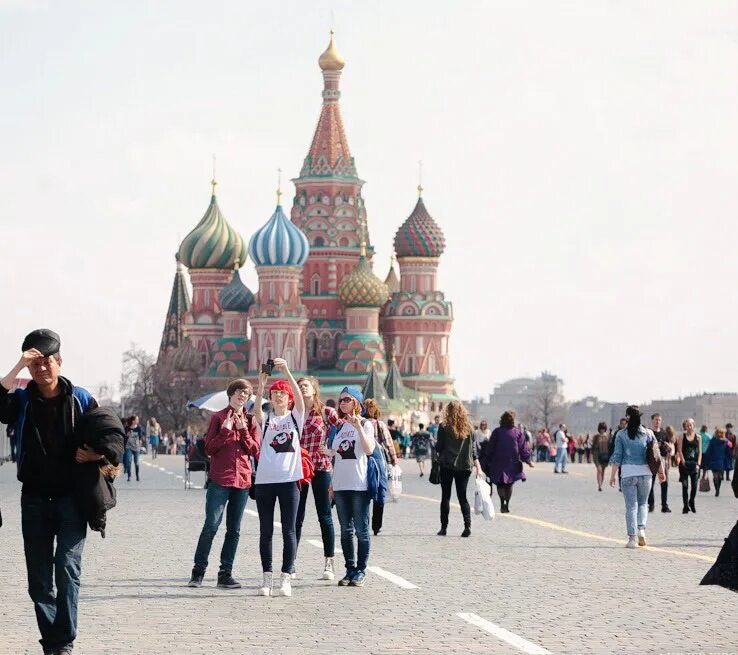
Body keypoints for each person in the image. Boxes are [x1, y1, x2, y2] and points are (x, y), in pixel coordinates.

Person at [0, 329, 99, 655]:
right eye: (35, 364)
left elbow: (108, 432)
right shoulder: (23, 399)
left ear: (59, 361)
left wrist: (98, 454)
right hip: (35, 500)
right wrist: (17, 366)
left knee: (67, 570)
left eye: (46, 362)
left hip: (73, 499)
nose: (41, 369)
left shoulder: (81, 398)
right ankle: (53, 644)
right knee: (39, 581)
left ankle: (64, 642)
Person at [188, 379, 259, 589]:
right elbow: (208, 449)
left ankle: (225, 573)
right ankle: (198, 572)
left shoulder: (251, 420)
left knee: (234, 530)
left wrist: (243, 430)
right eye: (239, 392)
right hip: (220, 479)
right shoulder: (218, 418)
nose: (242, 396)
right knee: (211, 525)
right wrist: (226, 431)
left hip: (242, 481)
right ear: (231, 394)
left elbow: (254, 450)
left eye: (246, 393)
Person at [253, 358, 304, 598]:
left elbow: (301, 399)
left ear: (289, 398)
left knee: (289, 531)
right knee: (265, 531)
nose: (278, 397)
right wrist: (261, 385)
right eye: (274, 394)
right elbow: (255, 410)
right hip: (265, 481)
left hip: (289, 481)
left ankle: (286, 578)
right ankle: (267, 578)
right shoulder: (266, 419)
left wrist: (287, 372)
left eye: (282, 394)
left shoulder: (295, 418)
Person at [320, 387, 376, 587]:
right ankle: (349, 569)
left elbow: (369, 450)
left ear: (356, 403)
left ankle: (361, 570)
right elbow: (337, 456)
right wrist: (328, 453)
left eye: (346, 400)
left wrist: (359, 427)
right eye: (340, 400)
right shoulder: (340, 427)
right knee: (345, 530)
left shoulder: (366, 424)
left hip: (359, 485)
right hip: (341, 485)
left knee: (361, 530)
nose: (342, 403)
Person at [293, 376, 339, 581]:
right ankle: (290, 563)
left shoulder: (327, 412)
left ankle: (329, 562)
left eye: (306, 386)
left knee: (325, 516)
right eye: (300, 385)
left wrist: (332, 450)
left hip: (321, 467)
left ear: (314, 389)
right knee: (296, 517)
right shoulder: (294, 412)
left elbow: (345, 429)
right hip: (298, 469)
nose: (303, 388)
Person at [609, 405, 665, 548]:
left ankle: (632, 539)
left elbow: (617, 456)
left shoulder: (621, 434)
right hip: (646, 474)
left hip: (628, 473)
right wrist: (661, 472)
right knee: (643, 503)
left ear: (627, 417)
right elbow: (657, 455)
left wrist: (613, 475)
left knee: (631, 506)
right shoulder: (648, 433)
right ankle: (641, 530)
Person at [434, 401, 480, 537]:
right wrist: (478, 466)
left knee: (445, 497)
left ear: (448, 411)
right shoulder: (470, 428)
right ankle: (467, 526)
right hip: (465, 466)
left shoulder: (443, 426)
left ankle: (443, 528)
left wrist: (435, 445)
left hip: (447, 465)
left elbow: (439, 447)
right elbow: (473, 449)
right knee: (463, 497)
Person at [480, 411, 534, 513]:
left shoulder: (497, 431)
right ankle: (506, 504)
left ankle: (502, 502)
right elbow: (523, 448)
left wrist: (485, 461)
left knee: (500, 484)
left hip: (498, 461)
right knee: (509, 484)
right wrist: (528, 461)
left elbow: (490, 448)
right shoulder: (518, 432)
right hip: (511, 462)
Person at [363, 398, 399, 536]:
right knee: (379, 493)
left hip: (362, 462)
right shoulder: (379, 424)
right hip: (378, 464)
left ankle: (362, 523)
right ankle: (376, 525)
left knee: (363, 492)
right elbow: (388, 444)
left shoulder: (359, 423)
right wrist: (394, 461)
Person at [647, 413, 673, 513]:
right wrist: (654, 445)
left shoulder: (664, 433)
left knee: (664, 483)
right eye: (656, 420)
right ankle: (651, 504)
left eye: (659, 420)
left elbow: (669, 448)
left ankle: (664, 505)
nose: (658, 422)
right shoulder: (649, 433)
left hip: (662, 460)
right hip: (652, 461)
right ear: (652, 420)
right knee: (651, 484)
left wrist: (667, 446)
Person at [676, 418, 701, 514]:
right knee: (685, 486)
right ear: (685, 427)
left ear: (693, 426)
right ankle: (685, 506)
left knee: (694, 486)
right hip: (684, 465)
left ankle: (691, 501)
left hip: (695, 465)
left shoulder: (698, 437)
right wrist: (683, 461)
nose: (689, 427)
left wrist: (698, 464)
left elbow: (700, 452)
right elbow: (680, 450)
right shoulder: (682, 437)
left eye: (690, 425)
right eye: (687, 425)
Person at [704, 427, 732, 497]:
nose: (720, 434)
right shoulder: (715, 441)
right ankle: (717, 489)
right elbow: (709, 451)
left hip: (719, 461)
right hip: (717, 461)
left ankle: (717, 489)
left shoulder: (725, 442)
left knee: (718, 477)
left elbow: (728, 452)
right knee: (717, 476)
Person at [123, 415, 144, 482]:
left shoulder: (139, 428)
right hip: (128, 447)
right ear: (133, 421)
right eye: (136, 419)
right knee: (129, 462)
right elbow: (124, 437)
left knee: (136, 463)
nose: (138, 421)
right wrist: (127, 435)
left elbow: (140, 437)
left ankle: (137, 475)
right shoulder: (127, 428)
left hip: (136, 447)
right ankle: (129, 476)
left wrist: (140, 441)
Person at [591, 422, 610, 492]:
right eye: (601, 429)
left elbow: (610, 446)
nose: (602, 430)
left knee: (603, 471)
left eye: (603, 429)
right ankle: (599, 485)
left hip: (605, 455)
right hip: (597, 455)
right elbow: (593, 445)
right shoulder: (596, 436)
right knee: (599, 470)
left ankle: (601, 484)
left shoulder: (608, 436)